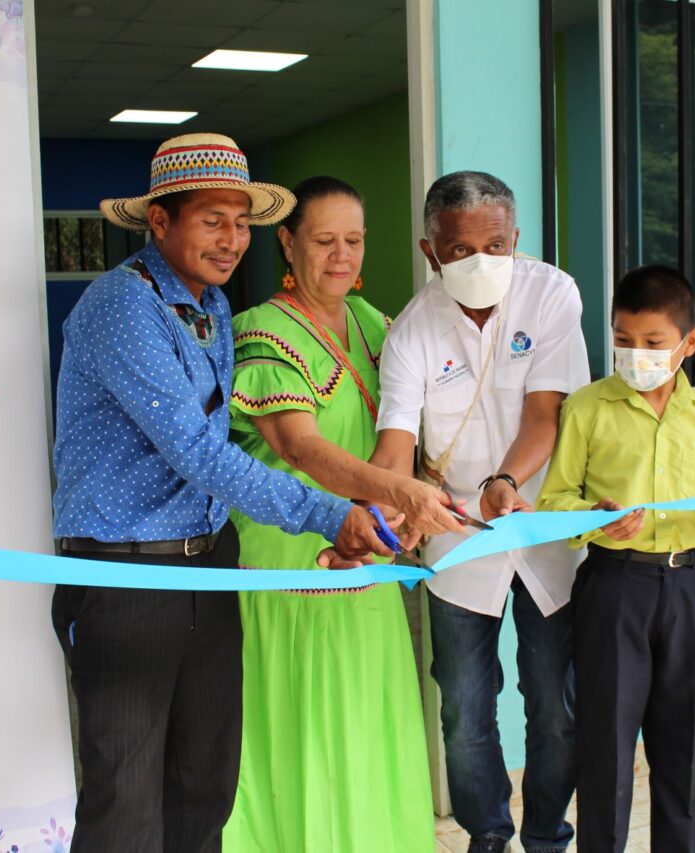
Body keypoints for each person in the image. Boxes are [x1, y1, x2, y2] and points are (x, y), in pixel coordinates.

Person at [49, 134, 395, 853]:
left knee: (205, 785)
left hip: (210, 564)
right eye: (212, 219)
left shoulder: (206, 310)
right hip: (129, 576)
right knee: (126, 801)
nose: (233, 239)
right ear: (160, 222)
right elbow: (202, 453)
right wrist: (333, 514)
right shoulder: (122, 304)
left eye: (242, 222)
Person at [220, 176, 461, 852]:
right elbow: (300, 447)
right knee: (306, 729)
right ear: (287, 243)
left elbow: (409, 431)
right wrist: (397, 493)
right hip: (291, 569)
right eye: (323, 240)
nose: (341, 255)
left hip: (369, 565)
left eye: (353, 240)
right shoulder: (261, 331)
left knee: (365, 722)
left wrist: (412, 496)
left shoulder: (379, 325)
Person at [371, 171, 591, 853]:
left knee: (555, 709)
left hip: (542, 530)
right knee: (465, 711)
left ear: (515, 238)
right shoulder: (410, 332)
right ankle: (486, 834)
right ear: (428, 251)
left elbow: (547, 413)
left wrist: (505, 478)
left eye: (495, 244)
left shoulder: (551, 293)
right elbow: (394, 444)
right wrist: (388, 509)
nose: (479, 260)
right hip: (456, 544)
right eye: (458, 249)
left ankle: (548, 835)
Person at [538, 265, 695, 853]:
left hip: (686, 586)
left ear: (689, 342)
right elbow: (553, 501)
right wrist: (595, 518)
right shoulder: (586, 409)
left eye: (653, 343)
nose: (637, 354)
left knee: (679, 748)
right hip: (612, 587)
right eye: (624, 340)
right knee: (607, 748)